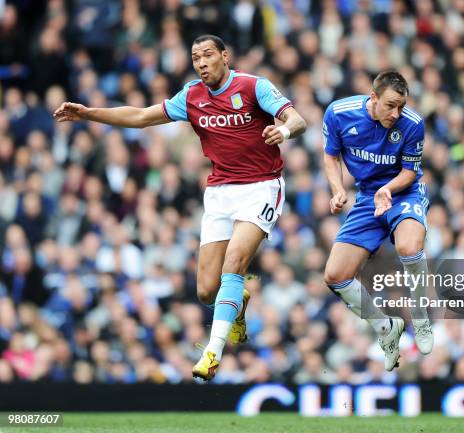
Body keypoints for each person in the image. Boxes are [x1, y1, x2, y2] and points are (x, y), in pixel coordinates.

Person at [54, 35, 307, 381]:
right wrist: (89, 114)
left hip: (261, 187)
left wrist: (284, 132)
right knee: (206, 291)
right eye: (195, 57)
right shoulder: (191, 96)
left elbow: (297, 119)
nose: (201, 63)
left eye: (207, 55)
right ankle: (238, 302)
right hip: (220, 192)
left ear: (224, 55)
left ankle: (212, 352)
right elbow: (142, 116)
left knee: (234, 263)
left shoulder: (253, 87)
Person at [322, 70, 433, 371]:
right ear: (373, 97)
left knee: (409, 248)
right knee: (335, 275)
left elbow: (410, 172)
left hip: (403, 192)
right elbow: (331, 156)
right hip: (368, 198)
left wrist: (388, 188)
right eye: (390, 105)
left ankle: (420, 317)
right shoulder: (338, 113)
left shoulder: (412, 124)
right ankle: (385, 328)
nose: (396, 113)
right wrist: (337, 190)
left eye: (401, 106)